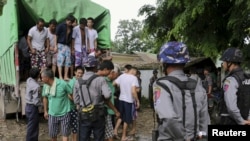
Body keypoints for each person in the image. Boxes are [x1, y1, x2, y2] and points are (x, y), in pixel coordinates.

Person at [154, 41, 209, 140]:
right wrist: (201, 136)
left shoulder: (161, 85)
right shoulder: (198, 86)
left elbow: (169, 118)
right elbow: (204, 121)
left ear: (165, 63)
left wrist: (184, 138)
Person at [73, 55, 111, 141]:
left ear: (84, 67)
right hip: (98, 114)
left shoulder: (77, 82)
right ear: (95, 67)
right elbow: (107, 95)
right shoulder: (101, 79)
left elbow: (76, 101)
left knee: (83, 137)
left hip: (84, 114)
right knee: (98, 137)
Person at [219, 47, 250, 125]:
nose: (223, 64)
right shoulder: (247, 77)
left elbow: (231, 108)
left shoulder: (230, 80)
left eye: (224, 61)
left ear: (229, 62)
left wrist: (241, 121)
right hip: (246, 120)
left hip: (230, 122)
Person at [41, 68, 72, 141]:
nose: (41, 79)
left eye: (42, 77)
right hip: (52, 114)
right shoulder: (45, 86)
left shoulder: (62, 84)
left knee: (65, 134)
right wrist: (45, 111)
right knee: (53, 135)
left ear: (47, 78)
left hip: (65, 113)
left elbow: (71, 93)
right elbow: (45, 98)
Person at [113, 66, 140, 141]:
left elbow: (114, 83)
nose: (136, 73)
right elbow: (133, 91)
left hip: (121, 99)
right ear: (133, 70)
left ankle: (115, 131)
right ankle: (123, 136)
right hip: (129, 101)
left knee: (121, 116)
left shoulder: (122, 76)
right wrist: (137, 100)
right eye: (136, 72)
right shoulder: (134, 78)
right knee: (127, 119)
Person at [56, 14, 76, 80]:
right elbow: (56, 35)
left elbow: (71, 39)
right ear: (66, 20)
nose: (70, 24)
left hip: (67, 45)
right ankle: (60, 76)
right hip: (60, 44)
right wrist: (55, 45)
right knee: (60, 60)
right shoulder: (61, 26)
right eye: (69, 22)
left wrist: (72, 48)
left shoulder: (71, 28)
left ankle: (65, 76)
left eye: (71, 23)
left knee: (68, 61)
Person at [68, 66, 84, 141]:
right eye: (78, 73)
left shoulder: (79, 81)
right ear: (75, 72)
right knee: (75, 128)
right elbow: (68, 94)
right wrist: (76, 103)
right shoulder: (73, 81)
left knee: (75, 128)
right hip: (72, 108)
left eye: (81, 73)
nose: (80, 75)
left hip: (75, 108)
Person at [25, 67, 42, 141]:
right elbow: (36, 101)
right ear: (38, 75)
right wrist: (43, 105)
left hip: (27, 106)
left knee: (30, 126)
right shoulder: (36, 86)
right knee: (33, 128)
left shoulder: (29, 80)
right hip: (32, 108)